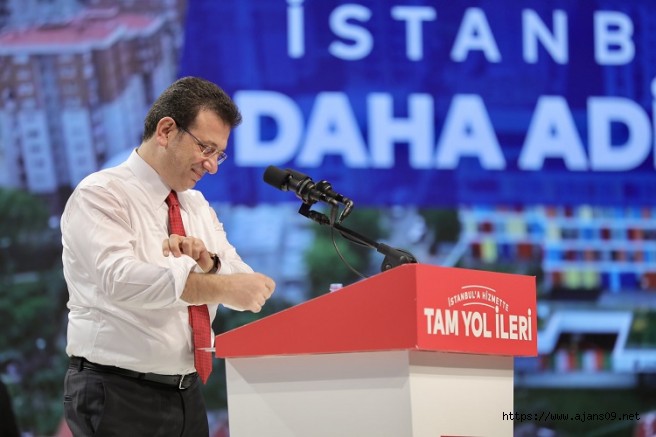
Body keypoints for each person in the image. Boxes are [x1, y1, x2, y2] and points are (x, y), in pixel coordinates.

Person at [61, 76, 276, 436]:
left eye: (219, 154)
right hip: (118, 391)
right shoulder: (100, 194)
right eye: (206, 148)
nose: (212, 165)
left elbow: (245, 283)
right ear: (165, 131)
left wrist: (210, 263)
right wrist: (219, 287)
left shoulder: (196, 205)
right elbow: (121, 281)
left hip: (186, 390)